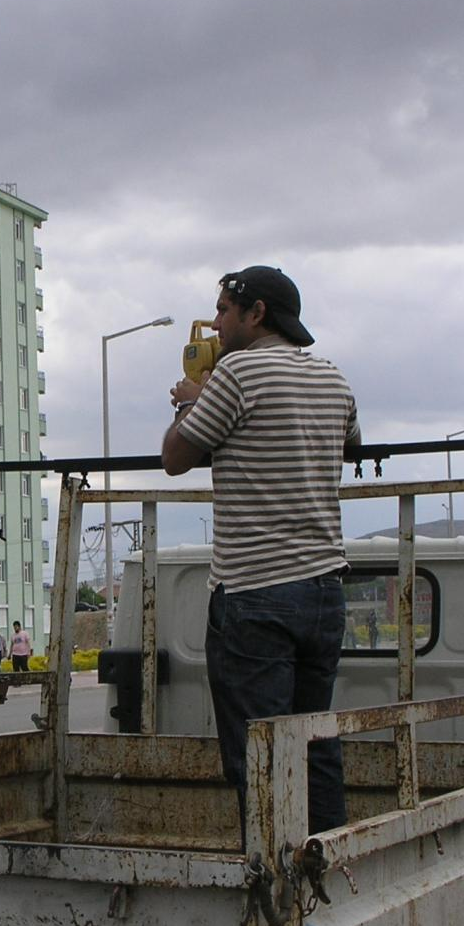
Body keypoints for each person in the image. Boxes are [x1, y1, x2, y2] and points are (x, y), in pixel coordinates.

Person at [162, 265, 361, 834]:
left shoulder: (238, 373)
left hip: (254, 591)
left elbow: (175, 459)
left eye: (224, 310)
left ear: (257, 314)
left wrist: (189, 400)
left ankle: (273, 891)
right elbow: (350, 443)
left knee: (260, 757)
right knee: (315, 746)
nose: (217, 323)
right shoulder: (332, 377)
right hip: (324, 590)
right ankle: (326, 877)